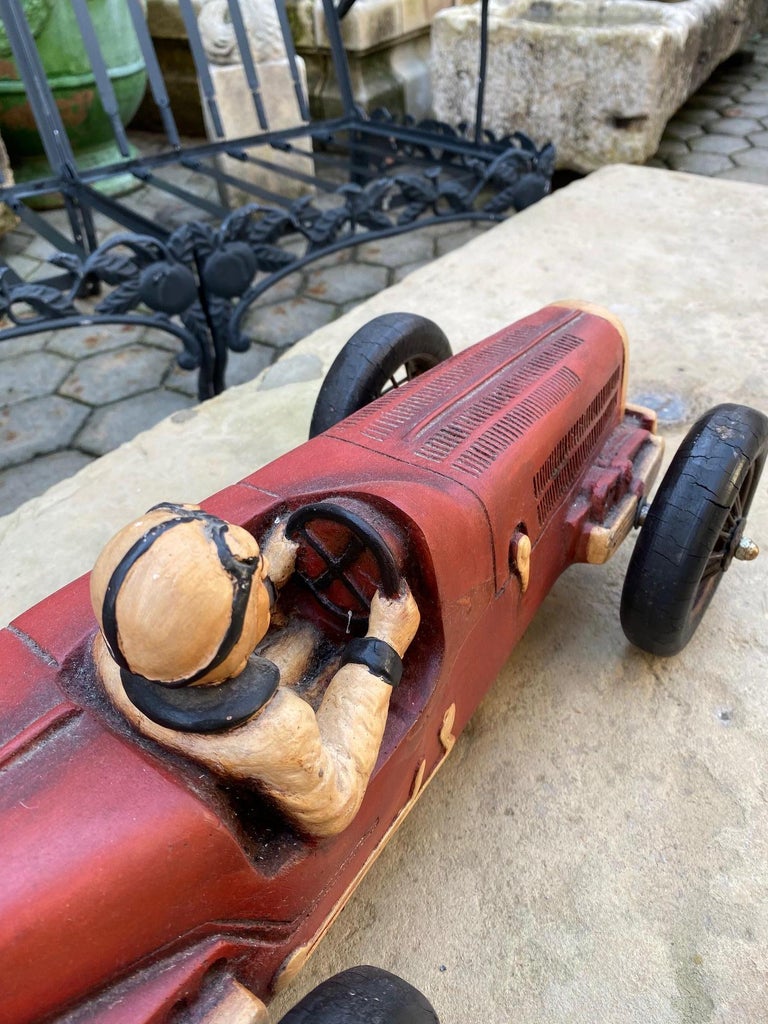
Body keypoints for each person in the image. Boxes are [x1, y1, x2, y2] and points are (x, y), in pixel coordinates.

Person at [91, 502, 420, 838]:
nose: (262, 565)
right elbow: (337, 799)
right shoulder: (281, 735)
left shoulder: (115, 648)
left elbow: (182, 622)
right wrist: (383, 646)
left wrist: (266, 586)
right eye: (257, 572)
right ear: (225, 643)